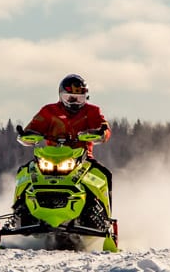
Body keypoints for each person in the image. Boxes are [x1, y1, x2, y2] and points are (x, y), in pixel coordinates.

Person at [18, 73, 114, 206]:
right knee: (24, 173)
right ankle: (19, 211)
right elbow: (33, 128)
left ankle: (104, 217)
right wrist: (26, 136)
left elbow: (103, 127)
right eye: (70, 98)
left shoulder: (92, 111)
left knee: (104, 175)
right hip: (50, 157)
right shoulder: (49, 111)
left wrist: (101, 133)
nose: (75, 102)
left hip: (82, 158)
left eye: (79, 98)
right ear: (61, 96)